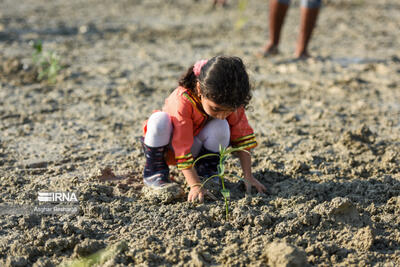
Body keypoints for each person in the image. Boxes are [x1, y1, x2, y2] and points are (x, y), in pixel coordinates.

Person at [141, 56, 267, 203]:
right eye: (216, 109)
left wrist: (248, 176)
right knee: (158, 121)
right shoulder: (182, 101)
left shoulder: (232, 100)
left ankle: (206, 172)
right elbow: (182, 146)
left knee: (222, 126)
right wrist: (194, 185)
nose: (222, 115)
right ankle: (154, 173)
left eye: (229, 111)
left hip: (196, 148)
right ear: (200, 89)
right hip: (168, 147)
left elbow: (242, 137)